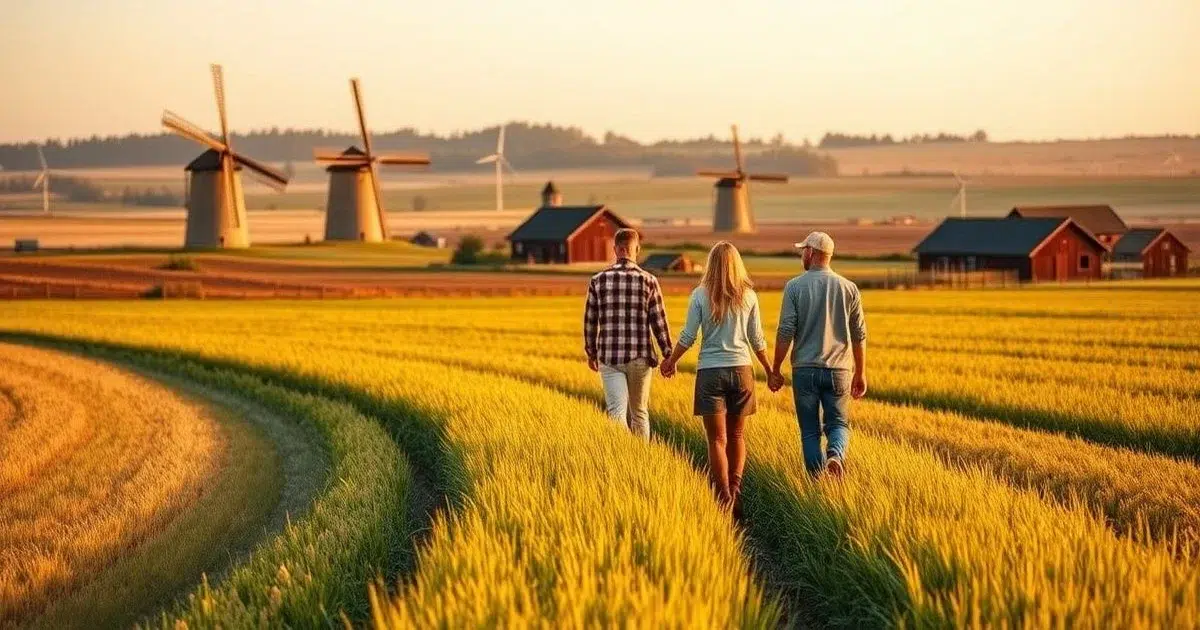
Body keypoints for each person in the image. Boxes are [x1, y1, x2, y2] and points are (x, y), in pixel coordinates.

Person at [660, 242, 774, 515]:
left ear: (711, 264)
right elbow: (756, 338)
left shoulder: (700, 295)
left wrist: (671, 361)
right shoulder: (749, 296)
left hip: (710, 372)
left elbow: (688, 336)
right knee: (737, 435)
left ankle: (723, 496)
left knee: (717, 440)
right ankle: (735, 490)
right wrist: (770, 370)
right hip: (741, 371)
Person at [770, 232, 867, 479]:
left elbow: (785, 331)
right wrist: (861, 372)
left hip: (804, 369)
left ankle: (817, 482)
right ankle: (835, 455)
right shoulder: (849, 288)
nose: (802, 254)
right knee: (838, 424)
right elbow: (859, 335)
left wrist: (776, 367)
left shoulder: (794, 287)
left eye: (803, 250)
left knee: (810, 431)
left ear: (811, 253)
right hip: (840, 371)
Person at [584, 228, 673, 440]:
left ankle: (622, 453)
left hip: (609, 357)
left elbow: (590, 321)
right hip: (640, 357)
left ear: (616, 250)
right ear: (637, 250)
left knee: (616, 412)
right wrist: (668, 353)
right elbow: (658, 321)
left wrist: (591, 352)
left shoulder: (598, 280)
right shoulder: (649, 280)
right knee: (640, 413)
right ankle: (642, 457)